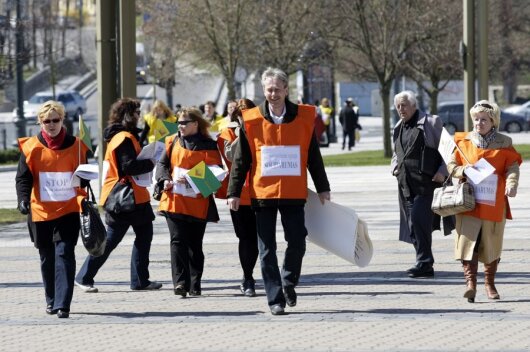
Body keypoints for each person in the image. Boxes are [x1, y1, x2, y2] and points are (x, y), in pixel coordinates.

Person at [228, 67, 331, 315]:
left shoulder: (304, 117)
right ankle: (274, 298)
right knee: (266, 249)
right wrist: (233, 192)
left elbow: (313, 157)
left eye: (277, 89)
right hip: (262, 193)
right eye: (268, 89)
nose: (272, 94)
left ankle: (288, 281)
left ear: (286, 90)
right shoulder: (251, 119)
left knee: (297, 241)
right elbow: (241, 160)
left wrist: (323, 188)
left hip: (294, 192)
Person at [76, 98, 162, 293]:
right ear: (127, 115)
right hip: (125, 198)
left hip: (133, 197)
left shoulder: (123, 136)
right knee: (111, 240)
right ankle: (84, 276)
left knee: (142, 236)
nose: (139, 116)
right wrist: (151, 162)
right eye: (136, 113)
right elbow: (128, 166)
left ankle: (140, 280)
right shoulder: (122, 138)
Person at [15, 100, 90, 318]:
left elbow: (84, 177)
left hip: (68, 209)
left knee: (65, 253)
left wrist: (84, 178)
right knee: (47, 257)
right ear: (40, 122)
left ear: (62, 120)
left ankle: (63, 303)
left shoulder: (77, 146)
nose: (51, 124)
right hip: (41, 211)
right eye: (46, 121)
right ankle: (51, 299)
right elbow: (23, 178)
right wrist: (22, 200)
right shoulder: (30, 147)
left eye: (55, 120)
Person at [447, 100, 521, 303]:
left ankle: (490, 284)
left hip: (493, 202)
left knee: (491, 244)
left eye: (483, 120)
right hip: (468, 202)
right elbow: (451, 165)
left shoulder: (504, 142)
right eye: (476, 119)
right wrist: (464, 170)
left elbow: (512, 167)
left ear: (493, 122)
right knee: (468, 243)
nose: (478, 123)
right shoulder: (463, 142)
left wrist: (511, 184)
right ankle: (470, 284)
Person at [155, 107, 222, 298]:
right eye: (178, 122)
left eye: (184, 122)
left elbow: (216, 174)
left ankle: (195, 282)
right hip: (174, 199)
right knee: (177, 241)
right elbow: (162, 164)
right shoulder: (172, 140)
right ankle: (180, 283)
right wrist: (164, 179)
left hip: (197, 202)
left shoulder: (209, 145)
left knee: (195, 245)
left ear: (195, 124)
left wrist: (193, 179)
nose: (180, 125)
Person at [391, 90, 448, 279]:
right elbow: (396, 153)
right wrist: (394, 167)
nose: (401, 109)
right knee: (412, 225)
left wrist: (442, 171)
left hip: (427, 185)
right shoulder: (398, 126)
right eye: (398, 106)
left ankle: (424, 262)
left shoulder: (431, 122)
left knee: (418, 220)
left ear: (414, 105)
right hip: (406, 185)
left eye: (404, 105)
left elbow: (449, 151)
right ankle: (424, 263)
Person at [217, 98, 259, 297]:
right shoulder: (227, 134)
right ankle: (247, 277)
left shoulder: (262, 130)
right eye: (242, 117)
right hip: (240, 195)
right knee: (246, 238)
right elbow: (231, 155)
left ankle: (253, 276)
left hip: (261, 193)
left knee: (260, 238)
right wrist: (243, 132)